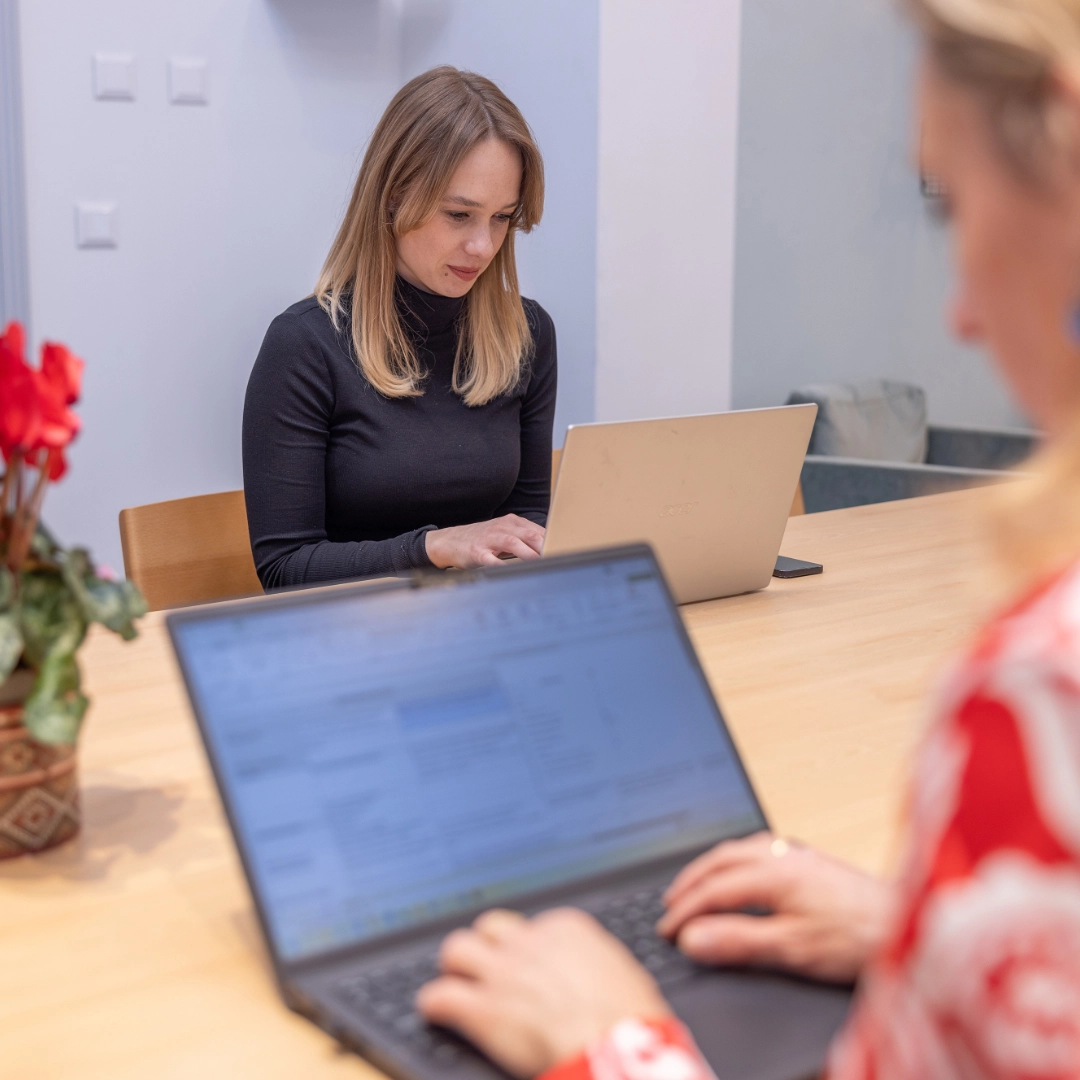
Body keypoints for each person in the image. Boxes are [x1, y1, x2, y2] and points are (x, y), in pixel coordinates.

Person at [413, 1, 1080, 1077]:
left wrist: (609, 1040)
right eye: (459, 215)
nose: (957, 313)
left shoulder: (1045, 685)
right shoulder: (308, 342)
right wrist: (932, 930)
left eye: (955, 201)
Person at [243, 67, 556, 589]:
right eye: (459, 214)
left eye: (502, 217)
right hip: (351, 628)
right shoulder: (303, 345)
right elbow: (284, 569)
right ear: (393, 197)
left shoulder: (528, 334)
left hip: (485, 618)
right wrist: (436, 548)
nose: (483, 246)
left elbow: (528, 526)